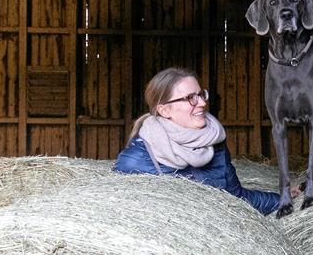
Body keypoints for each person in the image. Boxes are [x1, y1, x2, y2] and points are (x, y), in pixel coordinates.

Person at [114, 67, 284, 215]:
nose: (202, 103)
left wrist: (284, 199)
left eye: (201, 95)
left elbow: (237, 198)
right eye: (190, 98)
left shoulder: (214, 143)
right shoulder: (135, 160)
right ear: (165, 110)